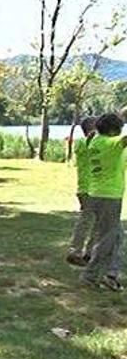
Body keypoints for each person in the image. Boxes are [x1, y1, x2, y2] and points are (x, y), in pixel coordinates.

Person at [80, 113, 126, 291]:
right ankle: (90, 274)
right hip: (109, 197)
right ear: (114, 130)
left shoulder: (95, 142)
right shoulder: (111, 144)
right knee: (108, 238)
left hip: (96, 195)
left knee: (117, 236)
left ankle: (111, 275)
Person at [67, 117, 98, 266]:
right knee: (86, 221)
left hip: (95, 190)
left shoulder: (97, 143)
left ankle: (89, 253)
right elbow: (90, 141)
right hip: (87, 189)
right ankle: (75, 252)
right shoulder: (82, 143)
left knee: (98, 223)